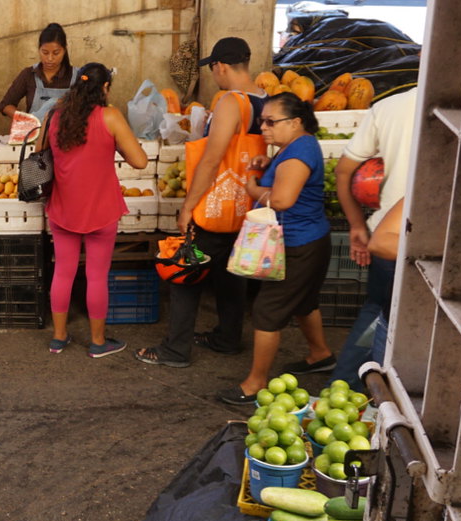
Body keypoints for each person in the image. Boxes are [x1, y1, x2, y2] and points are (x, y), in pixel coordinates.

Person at [137, 37, 265, 368]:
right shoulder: (265, 98)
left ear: (220, 66)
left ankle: (176, 350)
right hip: (244, 205)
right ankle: (227, 338)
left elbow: (211, 159)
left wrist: (188, 207)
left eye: (213, 68)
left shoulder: (231, 102)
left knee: (185, 271)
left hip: (216, 202)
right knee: (231, 273)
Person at [220, 93, 335, 405]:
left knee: (267, 311)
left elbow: (283, 200)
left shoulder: (298, 153)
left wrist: (254, 186)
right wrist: (271, 164)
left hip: (299, 244)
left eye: (272, 122)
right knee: (304, 302)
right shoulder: (297, 147)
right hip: (310, 240)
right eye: (262, 121)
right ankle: (320, 354)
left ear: (295, 122)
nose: (264, 128)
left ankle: (255, 383)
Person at [43, 63, 150, 357]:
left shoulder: (55, 116)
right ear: (105, 88)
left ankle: (59, 337)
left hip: (63, 207)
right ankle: (98, 343)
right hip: (101, 210)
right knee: (97, 276)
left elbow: (48, 153)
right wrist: (113, 145)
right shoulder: (110, 117)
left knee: (62, 273)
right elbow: (140, 161)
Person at [332, 88, 419, 386]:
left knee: (377, 314)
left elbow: (343, 172)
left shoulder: (389, 107)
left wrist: (357, 226)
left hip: (387, 239)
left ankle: (342, 389)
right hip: (423, 244)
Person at [0, 23, 76, 126]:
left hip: (65, 137)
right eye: (45, 52)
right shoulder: (28, 75)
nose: (50, 58)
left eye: (56, 53)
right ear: (39, 49)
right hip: (33, 136)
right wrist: (26, 119)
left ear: (64, 50)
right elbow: (6, 105)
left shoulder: (77, 77)